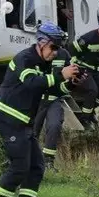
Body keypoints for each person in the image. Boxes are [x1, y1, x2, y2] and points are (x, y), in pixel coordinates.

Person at [0, 22, 80, 197]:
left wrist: (69, 84)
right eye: (53, 47)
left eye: (58, 48)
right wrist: (59, 75)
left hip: (23, 122)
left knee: (37, 166)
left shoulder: (42, 63)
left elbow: (50, 89)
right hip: (9, 119)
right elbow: (32, 83)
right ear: (41, 42)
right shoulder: (25, 59)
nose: (55, 53)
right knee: (20, 166)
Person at [33, 42, 75, 170]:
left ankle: (48, 161)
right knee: (32, 132)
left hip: (55, 100)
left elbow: (70, 76)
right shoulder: (34, 55)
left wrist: (74, 81)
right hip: (36, 100)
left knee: (54, 126)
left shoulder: (64, 54)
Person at [71, 16, 99, 129]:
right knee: (92, 90)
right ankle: (85, 119)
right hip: (83, 68)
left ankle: (90, 110)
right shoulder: (87, 39)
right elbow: (71, 50)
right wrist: (73, 68)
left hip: (97, 69)